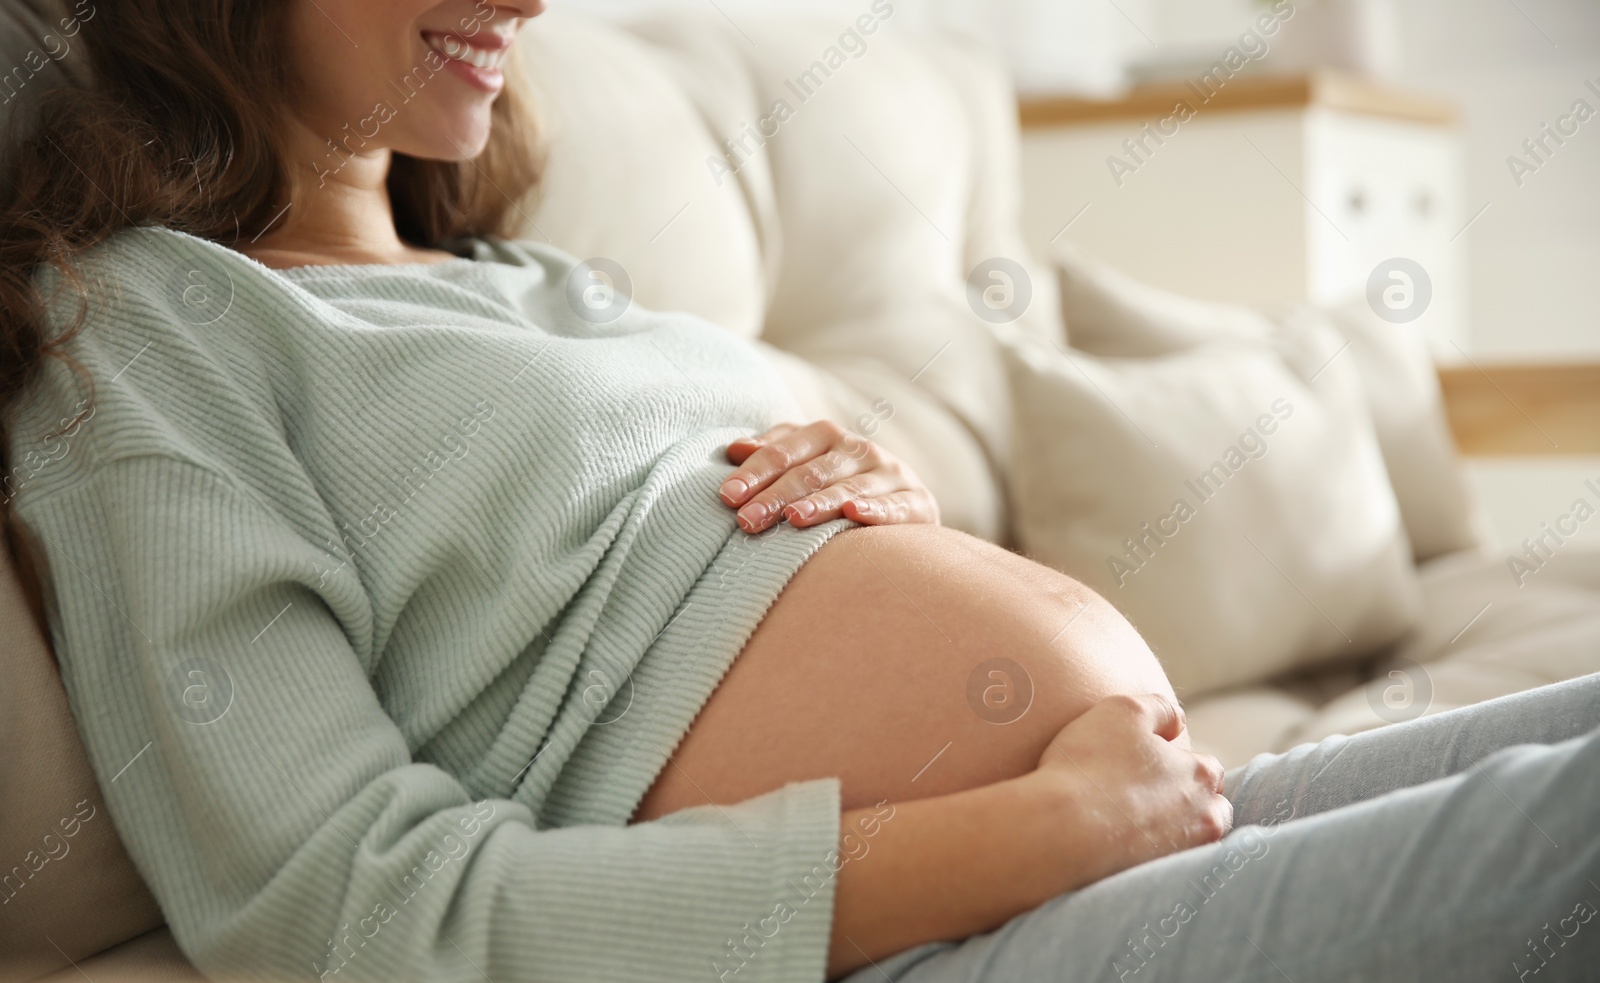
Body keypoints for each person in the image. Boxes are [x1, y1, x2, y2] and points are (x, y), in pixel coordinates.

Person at [0, 2, 1593, 982]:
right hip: (914, 934)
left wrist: (865, 466)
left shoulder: (529, 280)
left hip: (1121, 816)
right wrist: (1042, 833)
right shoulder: (152, 328)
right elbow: (345, 920)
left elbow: (757, 555)